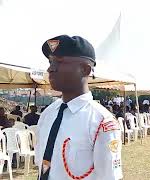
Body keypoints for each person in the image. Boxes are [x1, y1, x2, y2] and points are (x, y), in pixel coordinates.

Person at [35, 35, 123, 180]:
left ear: (85, 70)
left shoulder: (101, 121)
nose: (50, 68)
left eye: (59, 62)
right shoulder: (48, 114)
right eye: (51, 62)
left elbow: (110, 176)